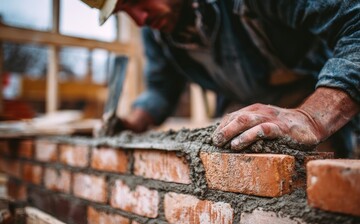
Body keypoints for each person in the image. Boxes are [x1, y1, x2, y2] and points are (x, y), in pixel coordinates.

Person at [81, 0, 360, 157]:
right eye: (124, 12)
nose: (139, 19)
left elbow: (355, 24)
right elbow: (161, 89)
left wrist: (311, 117)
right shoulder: (156, 32)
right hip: (245, 110)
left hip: (314, 103)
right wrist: (130, 124)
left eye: (134, 1)